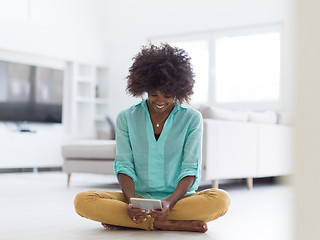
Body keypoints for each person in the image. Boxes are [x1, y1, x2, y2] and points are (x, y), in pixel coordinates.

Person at [74, 43, 230, 233]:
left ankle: (135, 221)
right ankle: (166, 223)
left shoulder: (192, 118)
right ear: (143, 87)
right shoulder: (127, 117)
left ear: (179, 90)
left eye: (167, 95)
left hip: (179, 199)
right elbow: (124, 165)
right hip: (136, 198)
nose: (160, 101)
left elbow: (190, 168)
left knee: (221, 199)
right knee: (83, 201)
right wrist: (132, 202)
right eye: (153, 94)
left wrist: (169, 203)